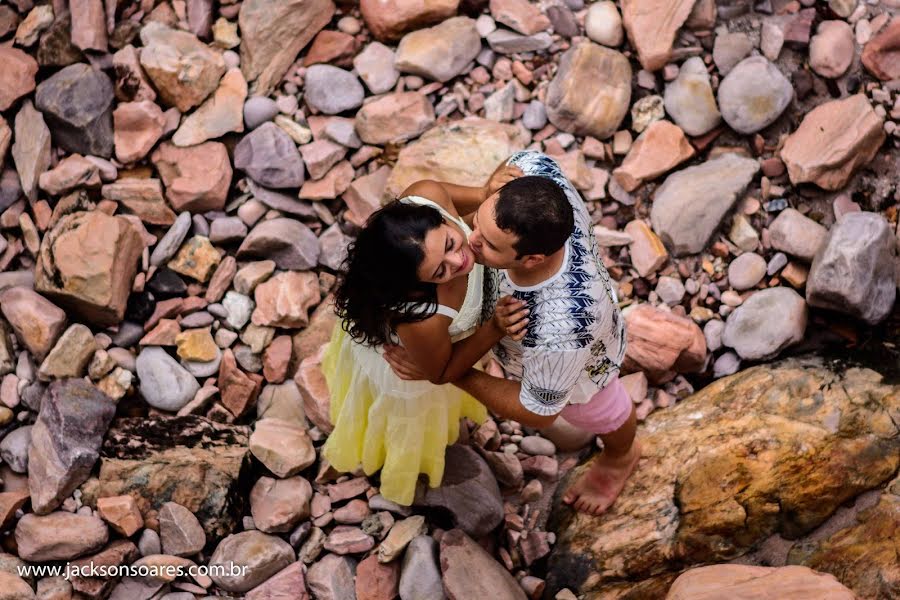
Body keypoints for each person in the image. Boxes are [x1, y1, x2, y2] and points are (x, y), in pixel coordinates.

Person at [385, 150, 638, 516]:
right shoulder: (531, 169)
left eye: (487, 244)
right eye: (479, 222)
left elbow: (537, 413)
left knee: (602, 411)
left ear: (531, 259)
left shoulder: (562, 331)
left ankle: (620, 456)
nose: (470, 239)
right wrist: (486, 189)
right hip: (523, 345)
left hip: (584, 364)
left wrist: (446, 371)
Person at [321, 170, 529, 506]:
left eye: (449, 243)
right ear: (417, 286)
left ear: (440, 217)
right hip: (417, 362)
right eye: (439, 272)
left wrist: (487, 191)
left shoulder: (428, 192)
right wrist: (494, 328)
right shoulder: (424, 316)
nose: (459, 260)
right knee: (409, 426)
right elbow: (440, 372)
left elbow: (477, 197)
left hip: (436, 344)